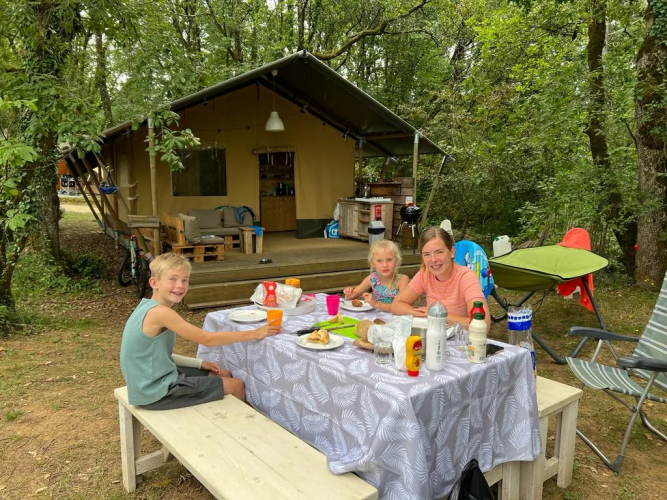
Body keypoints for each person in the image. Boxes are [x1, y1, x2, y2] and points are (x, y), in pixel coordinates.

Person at [120, 253, 280, 410]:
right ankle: (235, 426)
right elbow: (207, 339)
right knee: (236, 385)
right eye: (173, 279)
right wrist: (255, 333)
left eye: (184, 280)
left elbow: (157, 355)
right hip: (155, 392)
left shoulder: (147, 306)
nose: (180, 285)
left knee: (223, 373)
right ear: (154, 283)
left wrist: (199, 363)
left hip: (152, 380)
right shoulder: (160, 313)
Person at [391, 227, 490, 328]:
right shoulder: (425, 274)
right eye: (427, 254)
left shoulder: (466, 277)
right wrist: (419, 313)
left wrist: (438, 316)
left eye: (439, 252)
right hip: (433, 332)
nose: (433, 259)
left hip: (459, 336)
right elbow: (396, 305)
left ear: (452, 252)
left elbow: (483, 323)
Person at [343, 239, 410, 313]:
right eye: (379, 261)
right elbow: (353, 296)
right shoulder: (373, 279)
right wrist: (349, 295)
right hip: (375, 318)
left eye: (389, 260)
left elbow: (401, 307)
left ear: (396, 260)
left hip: (397, 318)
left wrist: (376, 304)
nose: (385, 265)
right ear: (372, 263)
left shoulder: (402, 280)